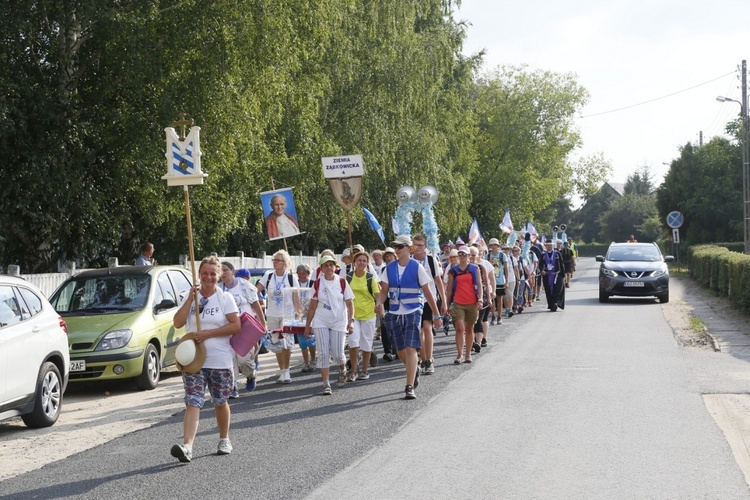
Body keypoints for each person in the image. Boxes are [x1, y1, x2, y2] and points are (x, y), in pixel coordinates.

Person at [171, 256, 240, 463]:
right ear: (199, 275)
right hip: (194, 360)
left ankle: (224, 438)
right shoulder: (190, 296)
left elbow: (235, 326)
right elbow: (177, 323)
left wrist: (208, 334)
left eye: (212, 273)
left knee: (220, 401)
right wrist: (190, 300)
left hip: (219, 359)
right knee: (193, 401)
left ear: (218, 276)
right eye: (205, 273)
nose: (208, 277)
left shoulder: (225, 298)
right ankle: (187, 447)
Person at [376, 235, 442, 400]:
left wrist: (436, 314)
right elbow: (384, 291)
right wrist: (379, 302)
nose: (397, 250)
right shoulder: (389, 268)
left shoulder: (417, 267)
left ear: (408, 248)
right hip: (395, 312)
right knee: (400, 350)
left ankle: (409, 386)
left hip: (413, 310)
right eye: (395, 247)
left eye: (400, 247)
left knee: (411, 348)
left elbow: (427, 292)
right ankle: (415, 369)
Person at [304, 255, 354, 395]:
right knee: (323, 353)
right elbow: (312, 307)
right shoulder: (318, 284)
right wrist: (308, 326)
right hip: (321, 321)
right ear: (321, 269)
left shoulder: (342, 282)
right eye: (326, 265)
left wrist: (351, 322)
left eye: (331, 265)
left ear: (335, 267)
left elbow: (349, 304)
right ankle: (326, 384)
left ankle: (342, 368)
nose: (329, 268)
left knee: (338, 353)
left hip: (339, 321)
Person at [220, 262, 266, 396]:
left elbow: (256, 306)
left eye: (225, 270)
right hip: (228, 329)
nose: (223, 273)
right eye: (220, 271)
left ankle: (250, 374)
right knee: (230, 358)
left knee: (243, 359)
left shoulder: (243, 285)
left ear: (232, 271)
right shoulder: (218, 289)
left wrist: (263, 325)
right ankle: (233, 386)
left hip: (245, 328)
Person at [255, 249, 300, 383]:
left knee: (286, 343)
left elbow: (296, 297)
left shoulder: (292, 278)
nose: (275, 262)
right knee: (276, 344)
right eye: (274, 260)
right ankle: (282, 371)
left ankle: (286, 371)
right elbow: (256, 290)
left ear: (285, 263)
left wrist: (298, 314)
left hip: (287, 315)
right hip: (272, 314)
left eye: (278, 260)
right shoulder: (268, 276)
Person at [411, 233, 447, 375]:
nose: (418, 248)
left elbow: (438, 281)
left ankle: (429, 359)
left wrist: (443, 301)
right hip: (414, 299)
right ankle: (424, 358)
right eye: (415, 245)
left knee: (427, 327)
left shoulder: (431, 261)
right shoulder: (410, 261)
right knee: (419, 331)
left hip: (429, 299)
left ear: (425, 246)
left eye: (420, 245)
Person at [346, 251, 380, 381]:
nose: (362, 263)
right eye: (359, 260)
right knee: (353, 342)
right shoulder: (347, 278)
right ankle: (353, 370)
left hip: (368, 314)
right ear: (354, 263)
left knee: (366, 344)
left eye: (364, 261)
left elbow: (377, 296)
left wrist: (380, 307)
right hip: (352, 316)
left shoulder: (370, 278)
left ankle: (364, 370)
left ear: (367, 264)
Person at [445, 245, 482, 364]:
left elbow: (480, 285)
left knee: (469, 329)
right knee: (460, 328)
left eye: (464, 254)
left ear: (468, 256)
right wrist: (446, 304)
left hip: (472, 302)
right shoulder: (453, 270)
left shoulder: (474, 268)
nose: (461, 257)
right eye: (459, 254)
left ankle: (468, 354)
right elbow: (449, 289)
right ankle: (460, 354)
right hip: (458, 303)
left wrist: (480, 299)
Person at [295, 264, 317, 372]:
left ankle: (313, 359)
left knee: (311, 339)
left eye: (303, 273)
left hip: (311, 313)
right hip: (299, 315)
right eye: (299, 273)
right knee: (302, 340)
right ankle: (306, 362)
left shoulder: (313, 283)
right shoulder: (295, 283)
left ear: (308, 274)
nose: (301, 275)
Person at [379, 247, 399, 362]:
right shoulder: (384, 269)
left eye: (390, 255)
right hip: (388, 299)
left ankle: (398, 349)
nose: (388, 258)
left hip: (399, 299)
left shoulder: (401, 267)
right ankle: (388, 350)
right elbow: (382, 286)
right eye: (386, 256)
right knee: (386, 325)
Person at [539, 239, 566, 312]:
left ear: (552, 245)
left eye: (550, 245)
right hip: (547, 275)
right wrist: (542, 270)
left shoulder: (557, 254)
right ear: (545, 246)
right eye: (548, 245)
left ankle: (556, 303)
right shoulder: (543, 255)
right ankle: (551, 305)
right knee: (548, 290)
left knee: (557, 289)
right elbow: (540, 265)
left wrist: (563, 275)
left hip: (557, 274)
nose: (549, 247)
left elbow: (561, 264)